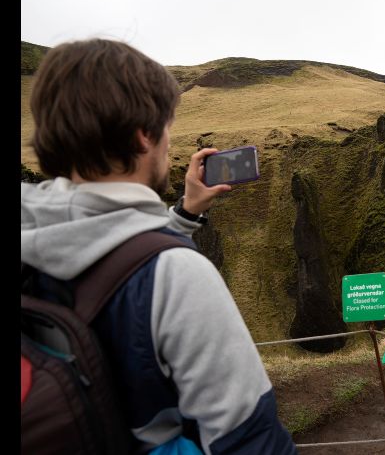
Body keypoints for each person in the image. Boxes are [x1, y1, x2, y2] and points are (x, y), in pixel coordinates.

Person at [20, 39, 297, 454]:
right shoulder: (178, 274)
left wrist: (184, 215)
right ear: (143, 137)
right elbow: (251, 439)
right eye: (167, 127)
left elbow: (105, 252)